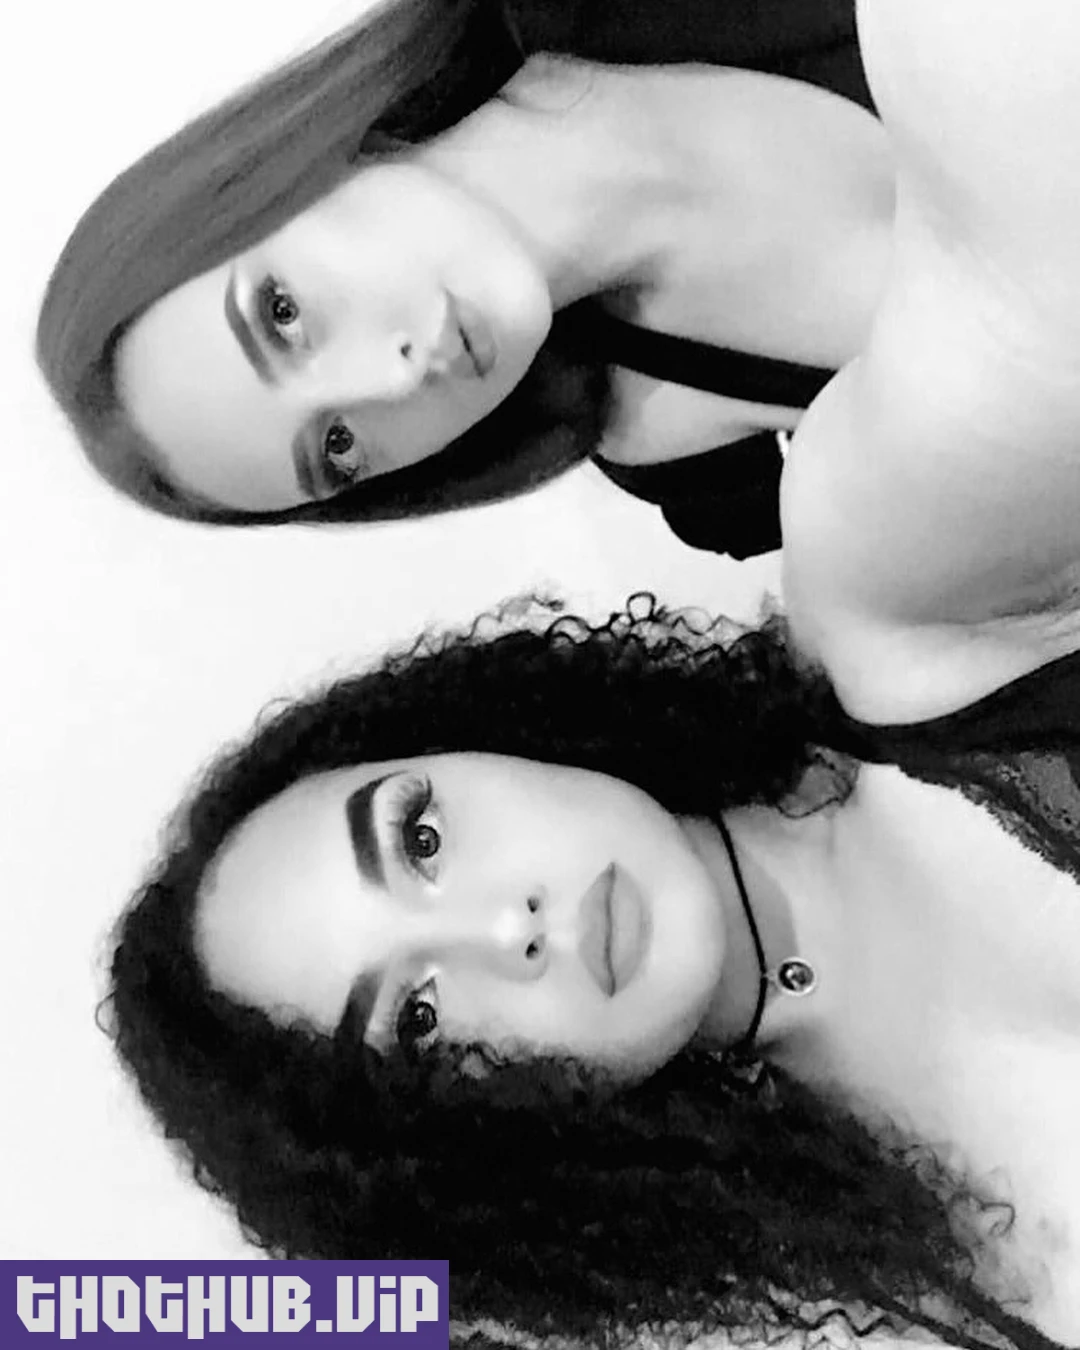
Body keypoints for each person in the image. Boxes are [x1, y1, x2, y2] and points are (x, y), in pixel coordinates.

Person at [105, 0, 1080, 1340]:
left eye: (422, 835)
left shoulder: (887, 600)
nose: (504, 931)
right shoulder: (903, 1290)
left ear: (486, 736)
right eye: (419, 1021)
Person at [36, 0, 891, 559]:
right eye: (338, 448)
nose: (394, 379)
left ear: (279, 168)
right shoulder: (696, 464)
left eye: (283, 314)